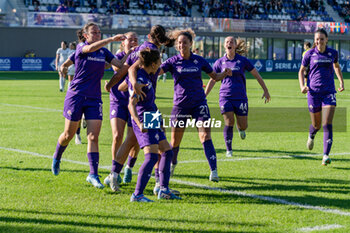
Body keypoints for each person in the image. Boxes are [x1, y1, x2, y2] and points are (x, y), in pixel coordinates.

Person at [129, 28, 231, 182]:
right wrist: (132, 80)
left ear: (191, 44)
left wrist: (224, 74)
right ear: (176, 45)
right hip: (180, 106)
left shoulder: (199, 60)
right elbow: (154, 71)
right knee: (174, 142)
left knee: (205, 135)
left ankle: (214, 170)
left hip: (199, 104)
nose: (182, 45)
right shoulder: (172, 62)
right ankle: (171, 165)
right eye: (179, 43)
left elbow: (214, 76)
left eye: (185, 42)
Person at [51, 22, 126, 190]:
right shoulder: (81, 47)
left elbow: (119, 66)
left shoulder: (104, 52)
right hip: (76, 96)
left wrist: (129, 54)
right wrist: (111, 39)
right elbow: (89, 50)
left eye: (99, 32)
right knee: (68, 134)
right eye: (94, 32)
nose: (97, 34)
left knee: (93, 137)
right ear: (86, 35)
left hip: (94, 98)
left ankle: (93, 174)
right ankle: (57, 156)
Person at [103, 25, 175, 192]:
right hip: (145, 107)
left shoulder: (142, 49)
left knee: (131, 140)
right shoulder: (149, 52)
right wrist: (134, 84)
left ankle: (114, 174)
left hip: (149, 105)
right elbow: (132, 69)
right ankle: (156, 184)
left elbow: (123, 73)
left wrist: (113, 86)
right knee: (155, 147)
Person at [205, 36, 271, 157]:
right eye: (227, 42)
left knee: (243, 125)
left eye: (231, 42)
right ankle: (229, 149)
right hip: (225, 97)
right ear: (224, 45)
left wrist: (265, 90)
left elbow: (256, 75)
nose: (229, 43)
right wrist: (204, 96)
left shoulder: (242, 60)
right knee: (229, 121)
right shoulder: (219, 62)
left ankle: (240, 129)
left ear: (235, 45)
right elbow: (213, 80)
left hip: (240, 97)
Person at [128, 48, 180, 202]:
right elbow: (131, 105)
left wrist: (159, 120)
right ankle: (137, 195)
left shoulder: (148, 76)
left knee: (167, 152)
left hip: (153, 116)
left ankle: (163, 190)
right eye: (159, 61)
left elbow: (150, 101)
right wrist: (139, 123)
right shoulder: (141, 80)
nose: (161, 64)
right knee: (151, 157)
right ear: (153, 63)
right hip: (144, 118)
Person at [298, 28, 344, 166]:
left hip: (329, 92)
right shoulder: (309, 54)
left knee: (327, 124)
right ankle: (311, 134)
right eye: (317, 39)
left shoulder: (333, 53)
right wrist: (302, 86)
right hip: (313, 93)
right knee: (316, 125)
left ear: (327, 40)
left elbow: (336, 66)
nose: (319, 41)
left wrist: (341, 81)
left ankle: (325, 155)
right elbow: (301, 71)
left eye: (322, 39)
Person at [104, 32, 140, 191]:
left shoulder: (142, 57)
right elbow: (119, 70)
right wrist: (131, 55)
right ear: (123, 43)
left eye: (135, 39)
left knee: (136, 138)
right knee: (118, 136)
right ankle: (115, 172)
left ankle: (129, 167)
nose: (133, 42)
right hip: (118, 101)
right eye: (129, 39)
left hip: (136, 102)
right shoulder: (117, 56)